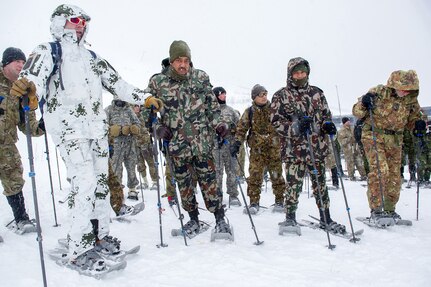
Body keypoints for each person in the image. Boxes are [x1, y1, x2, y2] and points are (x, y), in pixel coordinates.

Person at [10, 4, 159, 270]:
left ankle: (98, 236)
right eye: (74, 20)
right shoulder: (49, 50)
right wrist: (29, 90)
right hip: (70, 130)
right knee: (85, 184)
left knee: (101, 184)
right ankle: (78, 248)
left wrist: (144, 98)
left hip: (96, 130)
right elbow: (32, 78)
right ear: (60, 23)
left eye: (84, 21)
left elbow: (118, 83)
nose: (80, 25)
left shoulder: (92, 57)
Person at [146, 40, 232, 236]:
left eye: (186, 60)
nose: (183, 64)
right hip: (177, 145)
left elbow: (212, 107)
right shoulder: (158, 82)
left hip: (202, 143)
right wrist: (156, 128)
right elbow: (146, 111)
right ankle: (193, 220)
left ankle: (220, 219)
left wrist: (219, 123)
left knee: (210, 183)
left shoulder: (201, 77)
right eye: (178, 60)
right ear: (171, 61)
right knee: (184, 185)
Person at [270, 57, 346, 233]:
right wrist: (295, 127)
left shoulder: (317, 93)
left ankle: (325, 217)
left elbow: (326, 114)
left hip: (317, 148)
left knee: (320, 184)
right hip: (293, 151)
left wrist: (327, 124)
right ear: (290, 74)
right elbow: (275, 122)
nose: (300, 75)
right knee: (293, 186)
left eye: (303, 72)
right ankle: (290, 217)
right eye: (296, 73)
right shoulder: (281, 95)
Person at [352, 69, 424, 225]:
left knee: (394, 175)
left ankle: (390, 209)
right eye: (403, 88)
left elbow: (414, 118)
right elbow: (357, 111)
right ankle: (376, 210)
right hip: (373, 135)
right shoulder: (378, 92)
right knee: (380, 170)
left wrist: (418, 124)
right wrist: (364, 102)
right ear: (393, 85)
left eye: (409, 89)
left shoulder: (410, 101)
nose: (405, 92)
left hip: (395, 139)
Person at [0, 47, 45, 234]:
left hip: (6, 145)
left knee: (14, 179)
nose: (21, 65)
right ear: (5, 63)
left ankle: (21, 219)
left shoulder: (21, 90)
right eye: (16, 61)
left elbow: (28, 126)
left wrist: (44, 124)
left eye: (22, 62)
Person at [231, 84, 286, 214]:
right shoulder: (249, 112)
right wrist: (237, 143)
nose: (264, 97)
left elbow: (283, 125)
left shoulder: (275, 110)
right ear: (254, 97)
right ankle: (254, 202)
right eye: (261, 95)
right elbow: (241, 129)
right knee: (255, 176)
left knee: (276, 175)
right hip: (257, 151)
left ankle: (279, 200)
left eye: (265, 94)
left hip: (274, 149)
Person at [106, 100, 141, 200]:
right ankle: (117, 190)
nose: (120, 100)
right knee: (116, 168)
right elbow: (102, 125)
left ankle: (132, 189)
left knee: (131, 166)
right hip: (115, 145)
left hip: (129, 142)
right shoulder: (109, 110)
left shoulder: (129, 110)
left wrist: (134, 128)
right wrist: (111, 130)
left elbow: (137, 122)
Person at [212, 86, 241, 206]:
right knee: (217, 172)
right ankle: (217, 195)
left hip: (229, 145)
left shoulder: (231, 111)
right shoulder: (211, 111)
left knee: (232, 171)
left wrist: (236, 141)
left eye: (224, 94)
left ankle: (233, 195)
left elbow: (239, 128)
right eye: (221, 94)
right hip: (215, 147)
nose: (223, 96)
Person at [133, 104, 158, 190]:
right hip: (135, 144)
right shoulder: (130, 117)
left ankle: (155, 181)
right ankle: (144, 182)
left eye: (137, 106)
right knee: (140, 163)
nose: (136, 108)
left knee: (150, 162)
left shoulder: (144, 114)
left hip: (145, 143)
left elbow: (151, 111)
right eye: (134, 107)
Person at [337, 117, 367, 181]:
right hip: (348, 150)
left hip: (356, 149)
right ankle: (351, 176)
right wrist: (349, 138)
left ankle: (363, 175)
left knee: (359, 162)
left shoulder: (353, 128)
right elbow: (342, 142)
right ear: (344, 123)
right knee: (350, 163)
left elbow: (357, 136)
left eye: (349, 121)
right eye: (347, 121)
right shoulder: (341, 131)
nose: (348, 122)